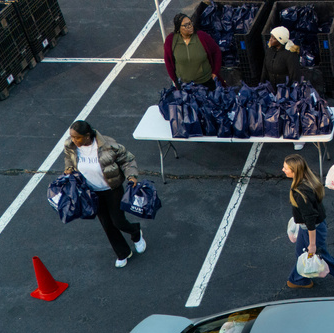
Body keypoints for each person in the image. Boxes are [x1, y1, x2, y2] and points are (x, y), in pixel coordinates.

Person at [63, 120, 146, 268]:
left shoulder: (108, 146)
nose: (73, 140)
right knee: (107, 225)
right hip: (92, 192)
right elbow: (69, 157)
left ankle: (135, 231)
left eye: (77, 137)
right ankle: (123, 253)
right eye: (72, 137)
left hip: (112, 189)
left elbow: (127, 160)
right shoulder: (71, 145)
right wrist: (69, 167)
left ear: (87, 136)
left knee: (118, 221)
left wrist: (131, 175)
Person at [282, 154, 334, 296]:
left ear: (295, 171)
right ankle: (298, 279)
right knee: (301, 252)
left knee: (321, 256)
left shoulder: (300, 192)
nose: (283, 170)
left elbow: (310, 220)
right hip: (312, 227)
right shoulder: (309, 180)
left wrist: (313, 244)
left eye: (286, 168)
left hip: (312, 229)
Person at [163, 13, 222, 90]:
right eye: (186, 25)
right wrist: (175, 80)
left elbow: (216, 52)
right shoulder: (171, 40)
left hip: (206, 82)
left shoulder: (202, 36)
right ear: (178, 28)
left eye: (190, 23)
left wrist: (215, 72)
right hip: (184, 85)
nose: (190, 26)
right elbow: (168, 62)